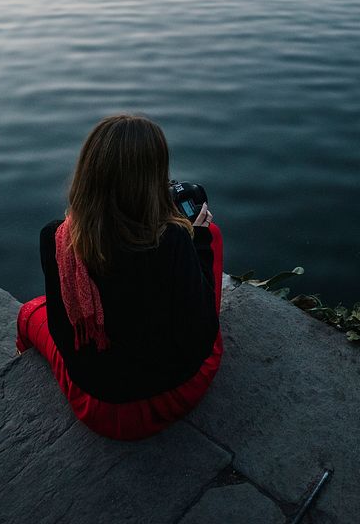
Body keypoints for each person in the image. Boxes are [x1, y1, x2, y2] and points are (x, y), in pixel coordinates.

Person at [16, 114, 223, 441]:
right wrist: (198, 241)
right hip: (179, 394)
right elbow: (203, 334)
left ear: (87, 173)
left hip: (97, 406)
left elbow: (62, 333)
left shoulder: (56, 239)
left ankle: (20, 364)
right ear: (154, 179)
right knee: (210, 233)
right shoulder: (173, 243)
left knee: (30, 313)